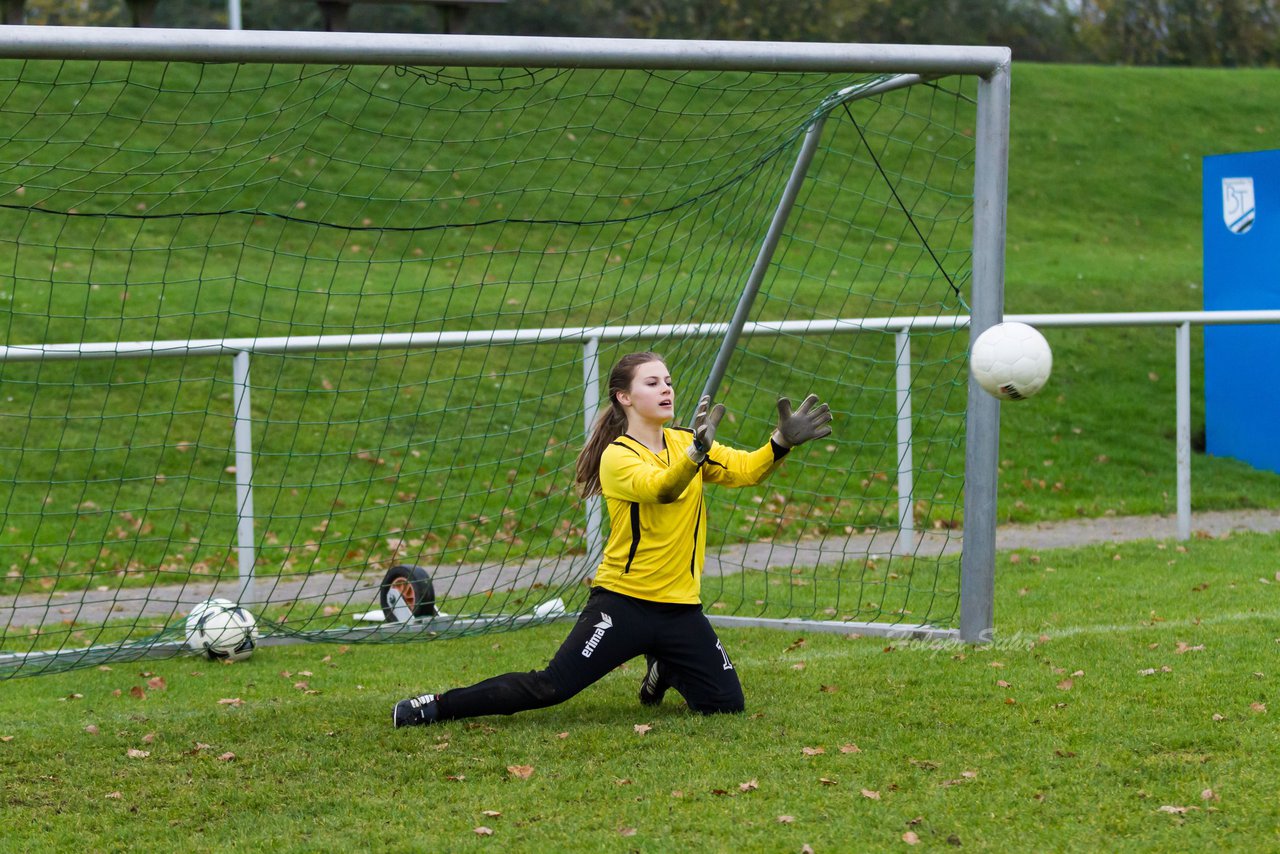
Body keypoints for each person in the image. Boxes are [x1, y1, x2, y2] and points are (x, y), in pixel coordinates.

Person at [392, 351, 832, 727]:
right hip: (624, 604)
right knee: (551, 686)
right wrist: (696, 454)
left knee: (725, 704)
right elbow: (663, 488)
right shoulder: (618, 457)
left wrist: (780, 442)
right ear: (625, 398)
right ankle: (434, 707)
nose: (667, 389)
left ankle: (665, 666)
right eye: (653, 382)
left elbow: (747, 470)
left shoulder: (686, 441)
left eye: (669, 382)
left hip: (681, 610)